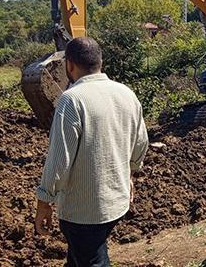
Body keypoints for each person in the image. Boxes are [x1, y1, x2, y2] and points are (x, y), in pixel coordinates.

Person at [35, 37, 148, 266]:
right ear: (100, 62)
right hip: (116, 202)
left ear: (69, 64)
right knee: (80, 257)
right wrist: (130, 174)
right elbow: (141, 143)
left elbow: (59, 160)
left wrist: (44, 201)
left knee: (92, 259)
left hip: (83, 211)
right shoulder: (126, 94)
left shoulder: (72, 100)